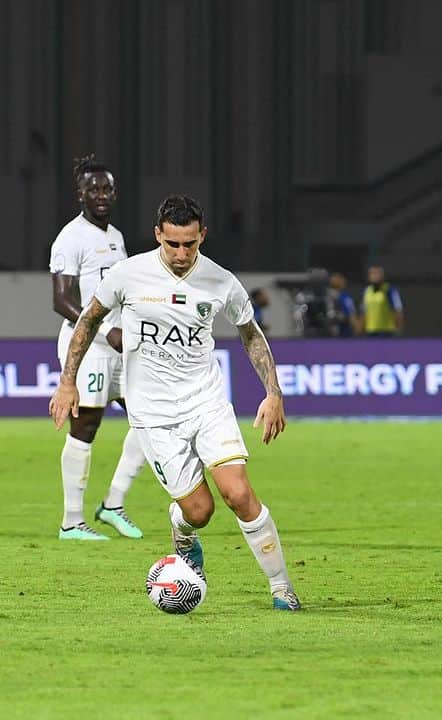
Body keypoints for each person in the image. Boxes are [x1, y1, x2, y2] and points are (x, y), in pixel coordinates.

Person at [49, 194, 301, 611]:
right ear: (157, 236)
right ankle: (183, 529)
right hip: (153, 416)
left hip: (205, 403)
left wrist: (273, 392)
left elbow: (250, 333)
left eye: (190, 244)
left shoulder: (220, 280)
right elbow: (88, 318)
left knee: (238, 494)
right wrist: (67, 383)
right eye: (173, 244)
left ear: (202, 236)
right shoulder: (128, 275)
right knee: (199, 511)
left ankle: (282, 588)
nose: (182, 254)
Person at [48, 154, 145, 541]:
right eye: (93, 189)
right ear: (80, 194)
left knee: (148, 420)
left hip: (119, 343)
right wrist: (106, 330)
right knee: (86, 425)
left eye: (107, 189)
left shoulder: (115, 236)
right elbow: (61, 300)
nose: (101, 195)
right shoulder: (70, 238)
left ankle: (113, 504)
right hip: (88, 344)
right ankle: (72, 521)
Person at [359, 265, 404, 337]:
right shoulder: (367, 291)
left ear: (383, 276)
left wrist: (399, 328)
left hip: (386, 331)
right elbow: (364, 311)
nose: (375, 276)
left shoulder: (389, 290)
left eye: (377, 273)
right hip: (370, 331)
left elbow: (398, 310)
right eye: (372, 273)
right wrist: (360, 328)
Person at [327, 272, 362, 337]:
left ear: (343, 280)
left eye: (338, 278)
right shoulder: (326, 295)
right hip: (328, 334)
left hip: (343, 335)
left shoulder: (345, 297)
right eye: (333, 277)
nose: (334, 279)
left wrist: (357, 327)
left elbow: (352, 315)